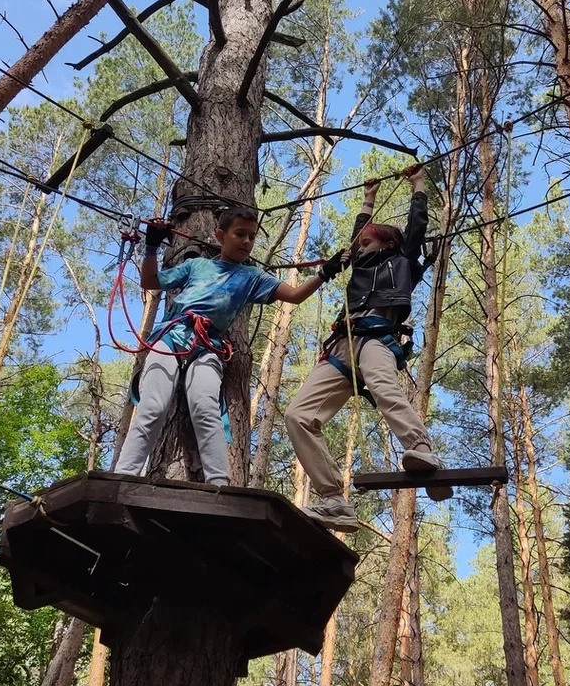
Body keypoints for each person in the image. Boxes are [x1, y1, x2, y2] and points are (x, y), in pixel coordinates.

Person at [114, 206, 344, 485]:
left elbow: (294, 295)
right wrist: (151, 246)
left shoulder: (252, 277)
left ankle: (219, 483)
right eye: (239, 234)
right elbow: (149, 281)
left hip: (208, 345)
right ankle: (124, 474)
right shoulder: (197, 266)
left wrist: (325, 273)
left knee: (205, 406)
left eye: (251, 236)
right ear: (221, 235)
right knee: (153, 405)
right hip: (172, 336)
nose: (247, 242)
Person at [285, 165, 447, 532]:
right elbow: (358, 235)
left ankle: (420, 448)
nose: (360, 246)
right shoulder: (358, 267)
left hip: (377, 337)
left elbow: (416, 227)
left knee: (382, 383)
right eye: (360, 244)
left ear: (389, 243)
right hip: (342, 345)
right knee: (298, 415)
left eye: (368, 242)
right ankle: (332, 499)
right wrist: (367, 198)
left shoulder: (402, 262)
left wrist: (418, 185)